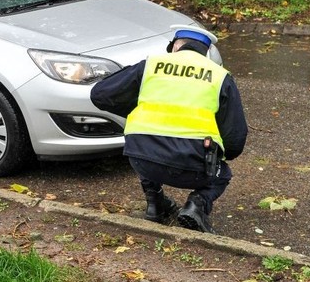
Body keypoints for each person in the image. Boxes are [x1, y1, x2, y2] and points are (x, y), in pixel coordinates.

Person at [90, 25, 247, 234]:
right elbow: (235, 140)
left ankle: (155, 204)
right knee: (223, 174)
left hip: (142, 160)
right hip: (192, 167)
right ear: (206, 52)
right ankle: (196, 205)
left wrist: (136, 110)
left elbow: (99, 94)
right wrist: (218, 155)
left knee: (148, 147)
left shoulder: (151, 65)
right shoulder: (219, 77)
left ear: (174, 47)